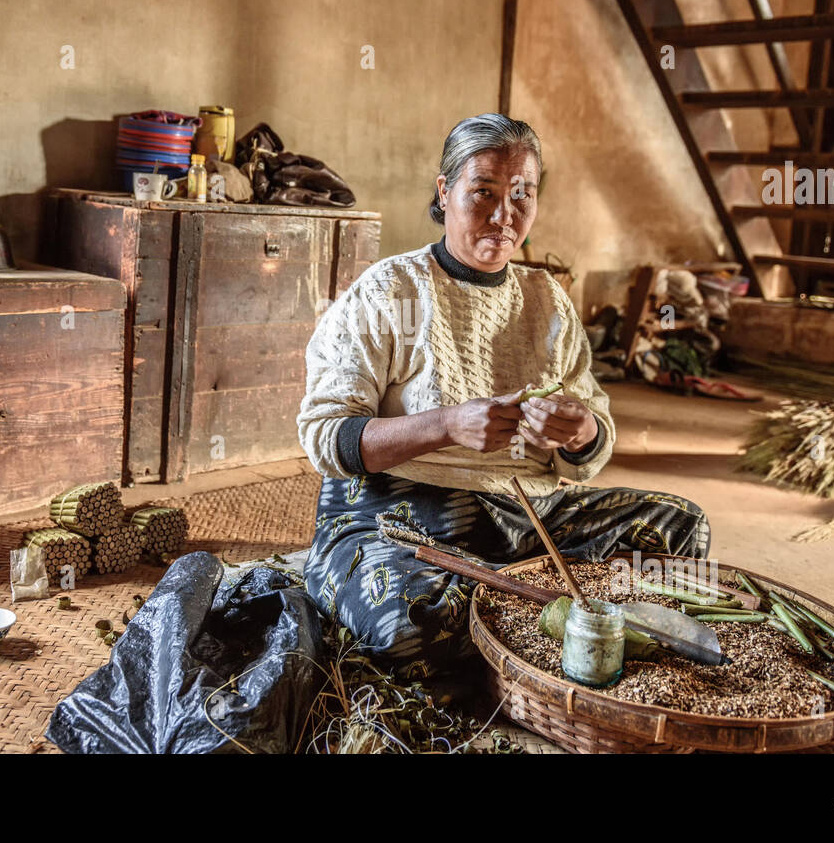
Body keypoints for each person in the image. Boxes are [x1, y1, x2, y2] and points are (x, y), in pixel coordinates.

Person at [296, 113, 709, 680]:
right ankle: (537, 619)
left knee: (680, 527)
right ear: (444, 192)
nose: (503, 216)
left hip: (526, 520)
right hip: (399, 516)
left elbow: (592, 441)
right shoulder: (390, 289)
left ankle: (513, 613)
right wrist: (444, 426)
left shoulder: (548, 300)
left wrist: (580, 431)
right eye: (482, 193)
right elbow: (325, 437)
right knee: (408, 624)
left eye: (522, 195)